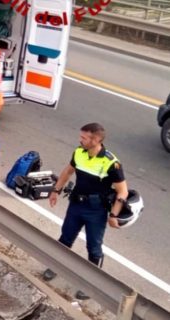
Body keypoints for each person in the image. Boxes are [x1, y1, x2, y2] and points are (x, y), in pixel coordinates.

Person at [43, 123, 128, 299]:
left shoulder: (111, 163)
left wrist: (113, 215)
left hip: (96, 211)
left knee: (94, 248)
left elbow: (123, 191)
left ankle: (92, 284)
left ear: (96, 140)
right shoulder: (79, 152)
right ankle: (56, 266)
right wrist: (56, 190)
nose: (80, 140)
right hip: (76, 205)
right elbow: (68, 171)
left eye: (84, 138)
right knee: (65, 238)